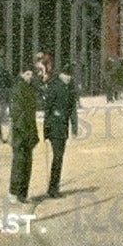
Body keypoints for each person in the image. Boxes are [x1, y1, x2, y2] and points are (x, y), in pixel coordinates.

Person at [43, 64, 79, 198]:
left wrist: (74, 127)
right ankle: (53, 189)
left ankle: (54, 187)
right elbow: (48, 108)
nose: (70, 79)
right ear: (63, 75)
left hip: (63, 128)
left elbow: (72, 109)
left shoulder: (69, 87)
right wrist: (46, 131)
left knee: (59, 157)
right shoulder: (54, 86)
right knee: (58, 157)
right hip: (54, 127)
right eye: (68, 76)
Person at [9, 64, 39, 204]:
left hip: (29, 131)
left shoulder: (30, 88)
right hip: (20, 132)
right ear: (21, 74)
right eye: (27, 74)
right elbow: (16, 112)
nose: (29, 77)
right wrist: (24, 130)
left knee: (27, 163)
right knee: (19, 163)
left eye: (31, 75)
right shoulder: (18, 88)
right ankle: (14, 192)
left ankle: (23, 194)